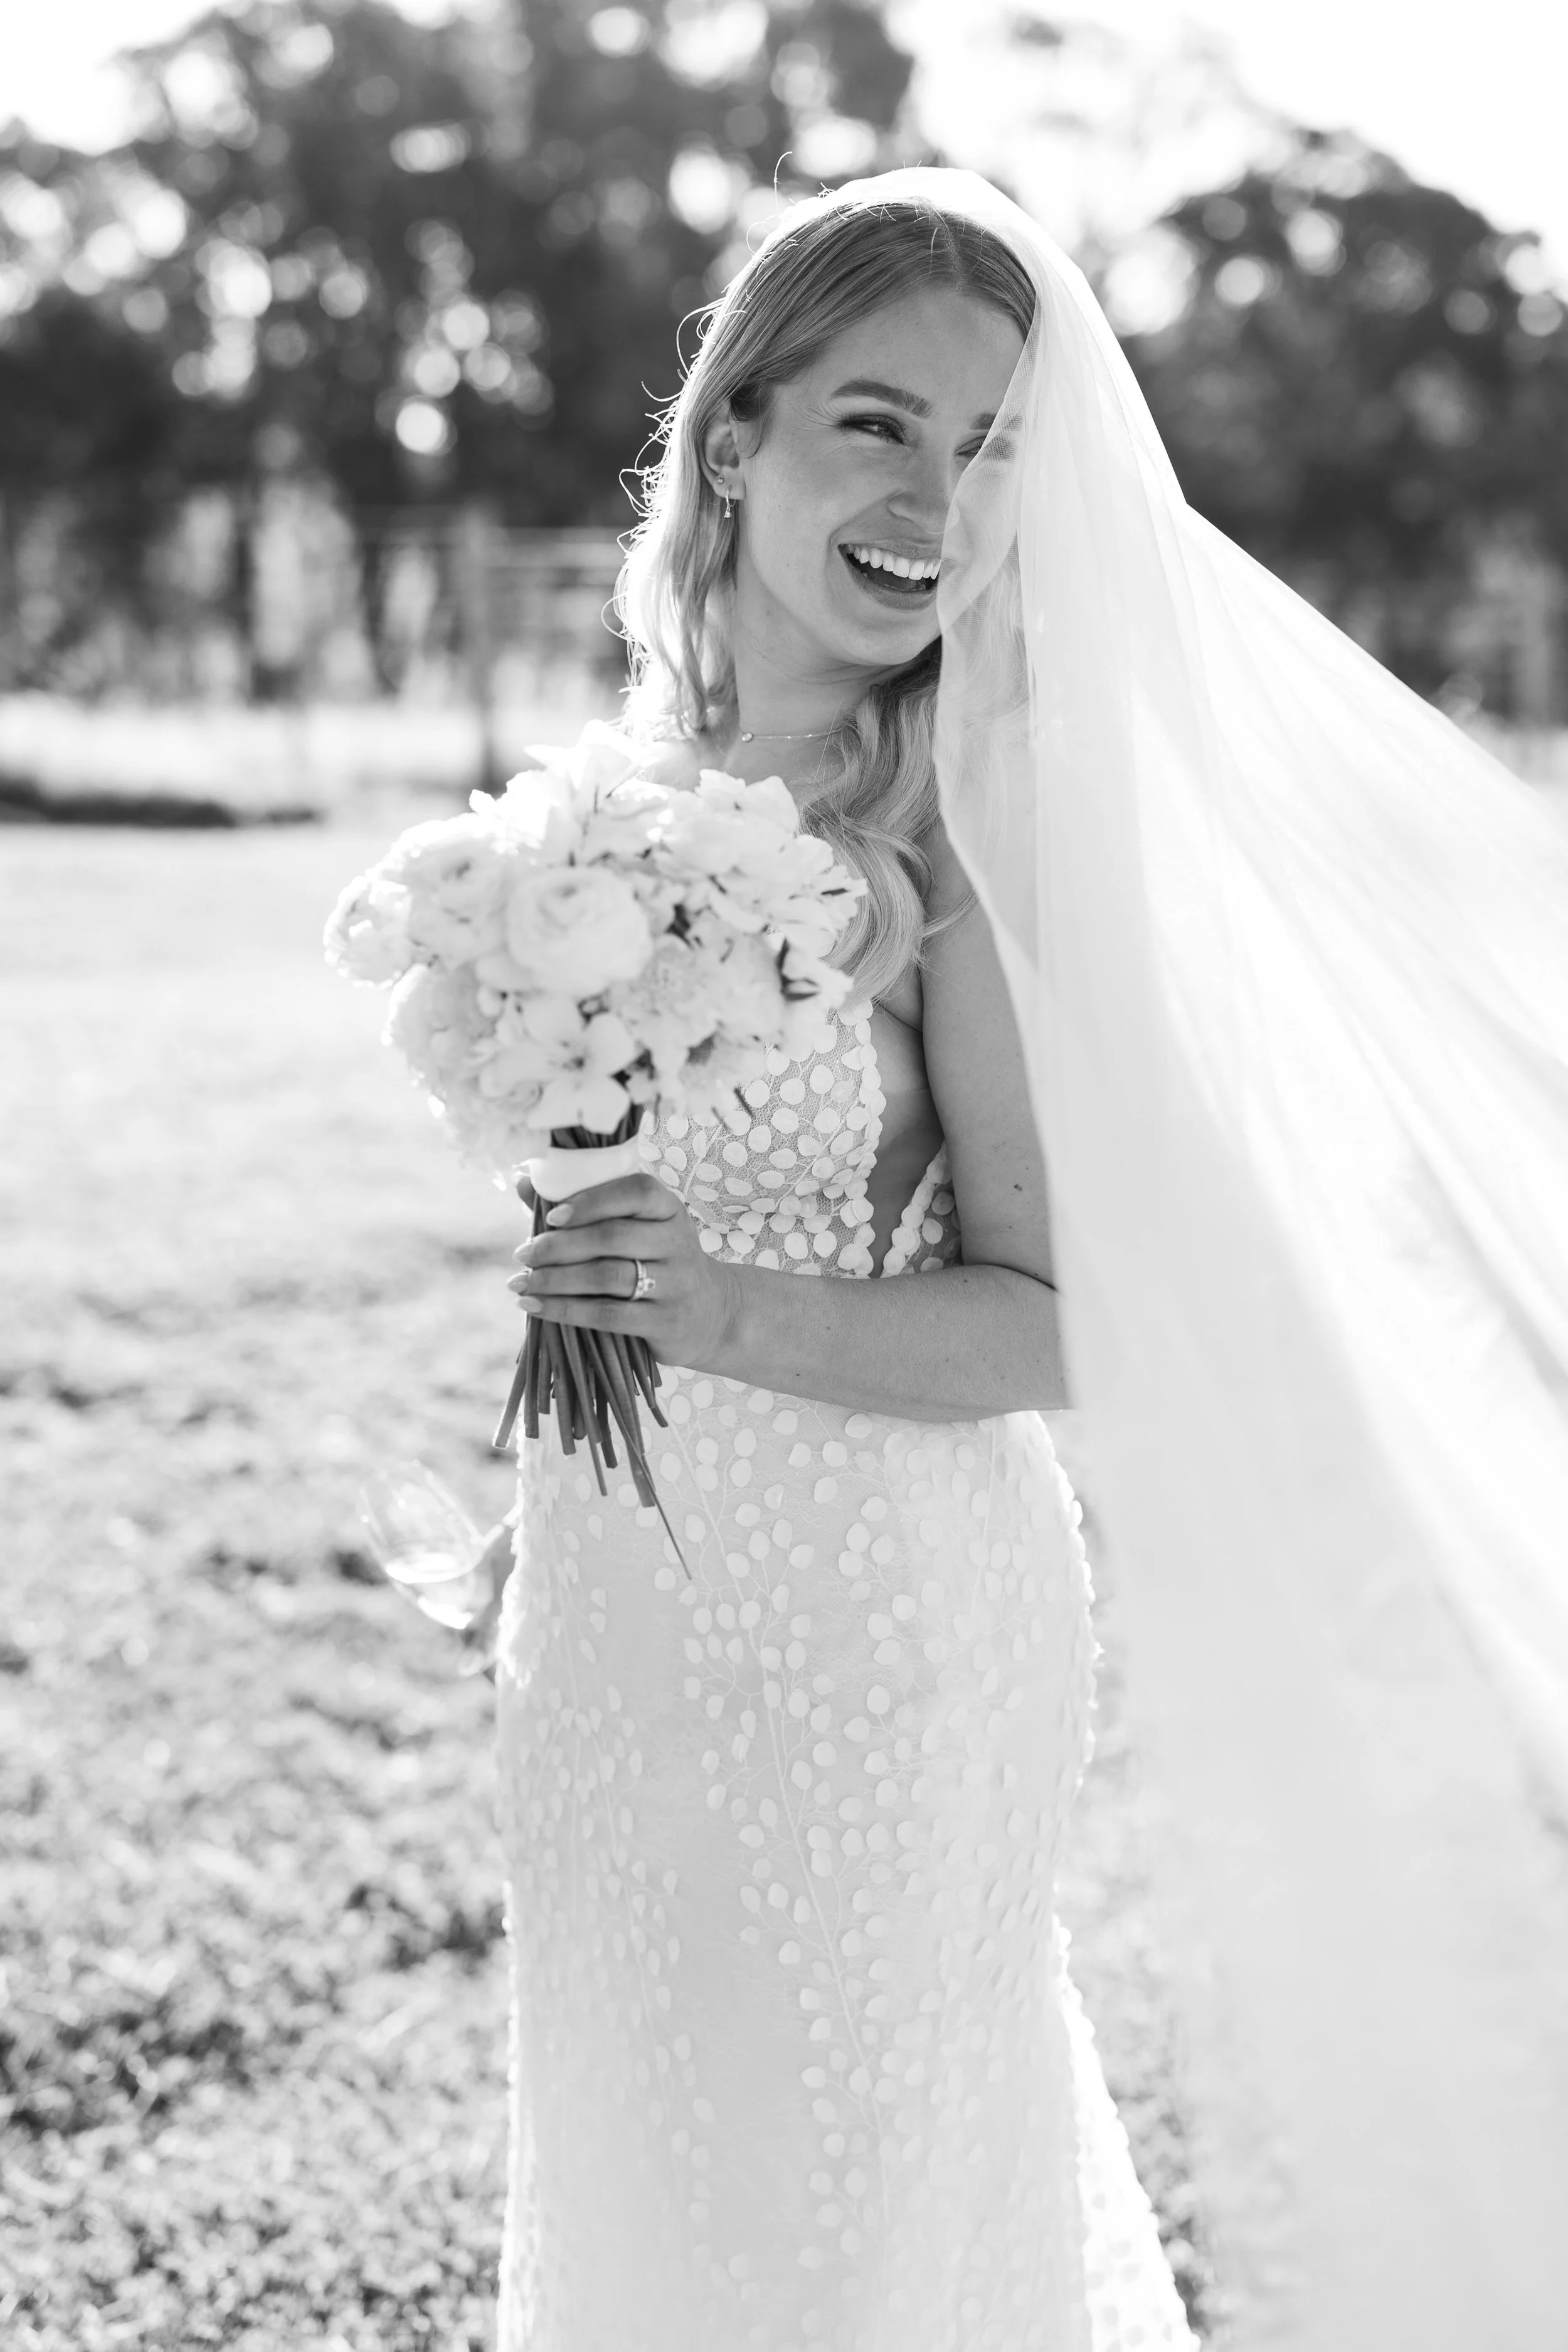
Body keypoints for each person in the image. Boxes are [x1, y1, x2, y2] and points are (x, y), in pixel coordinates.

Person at [490, 170, 1568, 2351]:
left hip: (882, 1634)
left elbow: (1073, 1319)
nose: (937, 502)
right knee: (644, 2162)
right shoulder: (603, 809)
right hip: (608, 1622)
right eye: (878, 424)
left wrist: (711, 1311)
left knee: (858, 2210)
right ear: (734, 440)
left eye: (991, 451)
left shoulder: (973, 831)